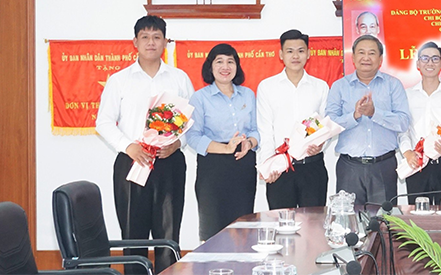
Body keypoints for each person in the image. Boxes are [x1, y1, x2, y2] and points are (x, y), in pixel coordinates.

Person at [95, 15, 194, 275]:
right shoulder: (119, 80)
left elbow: (191, 122)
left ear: (165, 42)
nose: (151, 42)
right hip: (132, 162)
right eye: (145, 37)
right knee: (132, 234)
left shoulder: (179, 78)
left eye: (157, 37)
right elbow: (103, 122)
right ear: (135, 42)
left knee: (168, 234)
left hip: (169, 162)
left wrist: (178, 143)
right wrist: (128, 146)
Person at [184, 43, 259, 241]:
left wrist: (250, 143)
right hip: (213, 167)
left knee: (243, 229)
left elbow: (255, 130)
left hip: (243, 164)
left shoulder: (248, 94)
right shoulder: (199, 98)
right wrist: (225, 148)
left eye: (230, 62)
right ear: (210, 67)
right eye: (219, 62)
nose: (225, 67)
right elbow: (193, 136)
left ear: (237, 66)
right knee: (214, 230)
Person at [326, 35, 410, 205]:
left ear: (380, 59)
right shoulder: (339, 86)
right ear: (353, 57)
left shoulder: (393, 85)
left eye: (372, 53)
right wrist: (354, 116)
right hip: (349, 167)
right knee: (349, 218)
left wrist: (374, 113)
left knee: (383, 219)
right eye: (361, 52)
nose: (366, 58)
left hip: (384, 165)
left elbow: (403, 122)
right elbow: (330, 125)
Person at [257, 29, 330, 209]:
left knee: (313, 222)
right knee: (282, 222)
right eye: (290, 51)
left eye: (300, 51)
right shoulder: (267, 87)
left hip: (312, 167)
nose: (295, 56)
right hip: (280, 168)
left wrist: (321, 145)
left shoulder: (320, 87)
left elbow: (326, 126)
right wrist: (268, 165)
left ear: (308, 54)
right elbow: (265, 131)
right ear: (281, 55)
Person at [399, 42, 441, 205]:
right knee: (417, 214)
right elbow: (403, 130)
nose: (430, 63)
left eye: (435, 59)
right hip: (417, 163)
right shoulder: (406, 95)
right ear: (418, 64)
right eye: (425, 58)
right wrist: (407, 152)